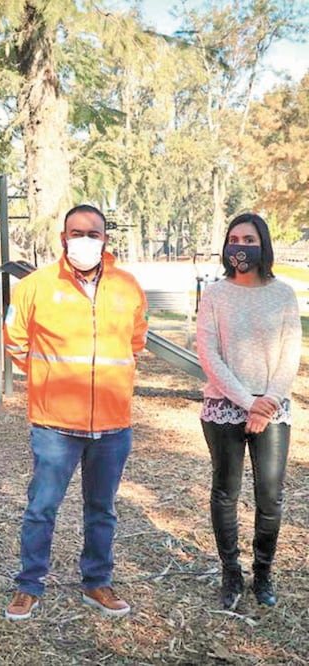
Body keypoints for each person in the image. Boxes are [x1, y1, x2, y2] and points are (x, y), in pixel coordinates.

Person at [3, 204, 148, 620]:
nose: (85, 239)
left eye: (94, 233)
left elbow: (136, 342)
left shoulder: (128, 286)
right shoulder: (35, 286)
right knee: (41, 508)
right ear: (63, 238)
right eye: (76, 232)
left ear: (106, 238)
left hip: (113, 422)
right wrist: (49, 379)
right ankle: (28, 585)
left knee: (101, 509)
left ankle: (97, 583)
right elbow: (15, 341)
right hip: (55, 424)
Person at [196, 213, 301, 611]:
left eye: (249, 239)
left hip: (272, 408)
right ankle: (231, 573)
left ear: (263, 245)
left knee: (270, 496)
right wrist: (245, 401)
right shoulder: (215, 296)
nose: (241, 246)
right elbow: (209, 355)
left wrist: (268, 402)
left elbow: (290, 355)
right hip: (224, 406)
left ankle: (264, 572)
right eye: (234, 238)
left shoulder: (283, 294)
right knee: (226, 492)